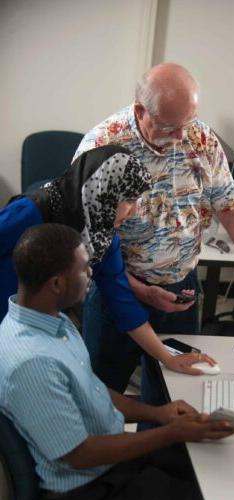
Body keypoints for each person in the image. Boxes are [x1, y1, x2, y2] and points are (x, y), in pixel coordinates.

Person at [0, 224, 234, 500]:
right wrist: (170, 432)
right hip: (88, 490)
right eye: (84, 269)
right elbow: (79, 455)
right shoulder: (33, 363)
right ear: (56, 283)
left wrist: (159, 413)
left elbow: (92, 388)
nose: (91, 275)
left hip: (107, 463)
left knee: (211, 466)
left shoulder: (51, 321)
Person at [74, 63, 234, 390]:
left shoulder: (199, 138)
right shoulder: (102, 147)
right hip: (118, 289)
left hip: (182, 291)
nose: (181, 136)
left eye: (187, 121)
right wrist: (141, 290)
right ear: (140, 110)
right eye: (170, 125)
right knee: (101, 395)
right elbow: (88, 243)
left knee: (173, 394)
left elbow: (231, 207)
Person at [0, 145, 217, 393]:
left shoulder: (101, 237)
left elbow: (122, 303)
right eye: (129, 199)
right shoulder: (30, 211)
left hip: (31, 328)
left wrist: (167, 358)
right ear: (103, 190)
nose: (134, 210)